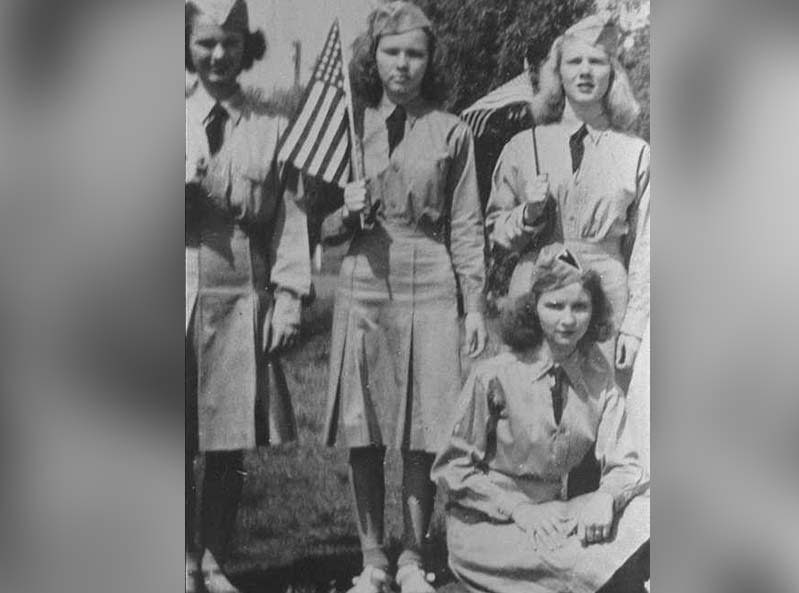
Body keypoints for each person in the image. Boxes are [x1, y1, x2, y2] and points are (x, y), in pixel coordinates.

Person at [321, 2, 487, 592]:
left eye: (414, 53)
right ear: (374, 56)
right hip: (363, 274)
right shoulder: (348, 124)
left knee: (422, 428)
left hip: (430, 277)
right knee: (363, 424)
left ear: (429, 61)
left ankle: (414, 558)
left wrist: (474, 305)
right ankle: (372, 560)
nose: (403, 64)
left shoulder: (451, 130)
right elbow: (318, 228)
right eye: (392, 51)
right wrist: (346, 209)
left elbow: (467, 226)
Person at [432, 243, 650, 593]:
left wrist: (606, 496)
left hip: (555, 517)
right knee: (593, 566)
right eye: (555, 306)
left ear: (594, 311)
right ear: (533, 308)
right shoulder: (494, 374)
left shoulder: (597, 376)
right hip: (488, 527)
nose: (568, 320)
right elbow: (452, 468)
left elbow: (627, 464)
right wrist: (517, 508)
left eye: (580, 307)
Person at [185, 1, 310, 591]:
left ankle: (214, 558)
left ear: (246, 46)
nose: (217, 55)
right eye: (206, 42)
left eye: (230, 43)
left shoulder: (268, 124)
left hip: (239, 287)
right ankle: (179, 559)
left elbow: (287, 218)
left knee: (229, 438)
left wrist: (289, 297)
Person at [485, 14, 650, 376]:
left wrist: (636, 326)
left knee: (602, 413)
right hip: (536, 292)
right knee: (529, 405)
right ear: (557, 73)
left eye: (597, 61)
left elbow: (646, 248)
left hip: (606, 300)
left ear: (613, 73)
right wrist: (527, 215)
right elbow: (496, 231)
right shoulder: (523, 147)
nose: (586, 72)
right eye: (575, 62)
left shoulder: (635, 152)